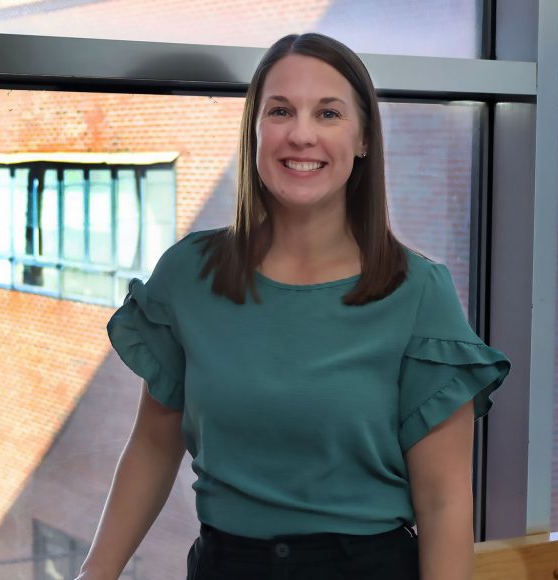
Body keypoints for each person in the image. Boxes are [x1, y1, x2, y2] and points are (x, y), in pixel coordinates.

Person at [78, 32, 511, 580]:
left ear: (363, 140)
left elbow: (445, 503)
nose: (301, 134)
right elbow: (152, 447)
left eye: (328, 113)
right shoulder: (188, 273)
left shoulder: (420, 292)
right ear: (255, 131)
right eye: (280, 110)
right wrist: (95, 573)